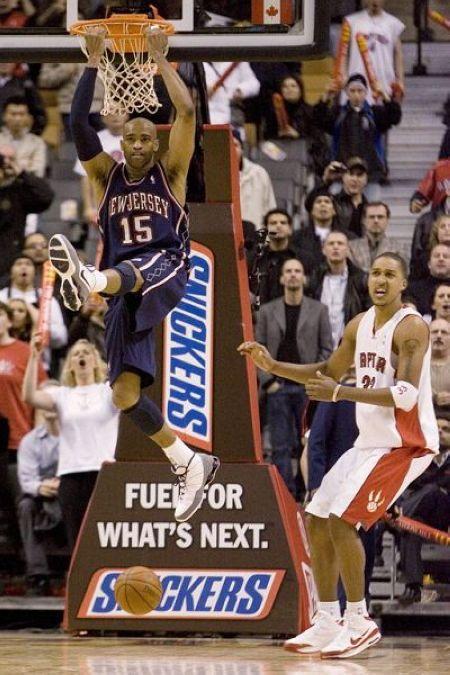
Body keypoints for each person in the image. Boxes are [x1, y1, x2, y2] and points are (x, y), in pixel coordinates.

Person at [47, 27, 219, 524]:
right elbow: (78, 123)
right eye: (131, 139)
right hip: (123, 288)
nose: (139, 144)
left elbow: (186, 112)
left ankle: (87, 280)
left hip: (167, 266)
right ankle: (187, 461)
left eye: (146, 138)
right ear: (121, 143)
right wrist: (91, 64)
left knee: (129, 269)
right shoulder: (107, 175)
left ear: (155, 142)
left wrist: (162, 60)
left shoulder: (172, 172)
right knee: (123, 395)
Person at [239, 252, 439, 658]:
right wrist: (272, 364)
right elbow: (328, 372)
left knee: (342, 520)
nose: (380, 280)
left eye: (390, 274)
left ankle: (359, 620)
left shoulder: (412, 326)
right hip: (369, 443)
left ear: (403, 284)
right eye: (376, 273)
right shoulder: (358, 324)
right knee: (316, 515)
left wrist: (341, 393)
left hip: (406, 444)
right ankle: (327, 618)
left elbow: (405, 395)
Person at [23, 337, 119, 552]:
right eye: (76, 353)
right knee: (77, 540)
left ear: (95, 361)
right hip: (71, 474)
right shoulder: (62, 394)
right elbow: (29, 396)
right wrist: (33, 357)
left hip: (104, 472)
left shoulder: (107, 391)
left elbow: (128, 390)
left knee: (106, 536)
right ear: (70, 365)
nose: (81, 355)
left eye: (86, 352)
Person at [255, 258, 333, 497]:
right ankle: (284, 494)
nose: (292, 275)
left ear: (304, 278)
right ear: (281, 278)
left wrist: (315, 378)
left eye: (297, 271)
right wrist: (268, 381)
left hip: (308, 387)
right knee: (280, 444)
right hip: (277, 387)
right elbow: (258, 348)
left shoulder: (319, 310)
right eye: (288, 271)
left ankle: (305, 491)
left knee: (308, 442)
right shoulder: (267, 311)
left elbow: (327, 349)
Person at [313, 73, 401, 186]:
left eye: (360, 91)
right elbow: (318, 119)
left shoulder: (375, 113)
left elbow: (394, 117)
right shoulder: (338, 113)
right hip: (341, 173)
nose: (356, 95)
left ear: (366, 92)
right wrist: (326, 96)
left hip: (371, 173)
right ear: (346, 92)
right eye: (352, 91)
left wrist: (384, 95)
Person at [397, 418, 450, 605]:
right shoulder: (419, 460)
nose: (441, 432)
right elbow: (404, 487)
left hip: (444, 517)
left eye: (446, 429)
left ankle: (401, 517)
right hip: (422, 517)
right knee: (412, 528)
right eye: (437, 428)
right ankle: (413, 587)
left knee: (433, 490)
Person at [17, 380, 62, 595]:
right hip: (42, 495)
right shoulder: (30, 441)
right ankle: (38, 576)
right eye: (44, 400)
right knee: (25, 506)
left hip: (70, 493)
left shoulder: (77, 434)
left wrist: (63, 485)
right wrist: (41, 486)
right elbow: (27, 480)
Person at [307, 231, 370, 348]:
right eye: (331, 243)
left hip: (350, 346)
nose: (335, 247)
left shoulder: (361, 280)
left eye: (340, 243)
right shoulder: (314, 279)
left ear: (348, 250)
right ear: (323, 249)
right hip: (319, 347)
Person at [338, 0, 405, 104]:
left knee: (384, 110)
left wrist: (400, 80)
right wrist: (343, 74)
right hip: (357, 80)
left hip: (384, 79)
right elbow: (343, 52)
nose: (375, 1)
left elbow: (398, 53)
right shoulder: (351, 21)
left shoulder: (393, 23)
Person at [73, 111, 128, 227]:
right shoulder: (92, 141)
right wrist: (88, 207)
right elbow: (86, 176)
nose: (115, 115)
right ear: (103, 118)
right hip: (101, 204)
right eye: (110, 112)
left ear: (127, 115)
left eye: (120, 112)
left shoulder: (138, 139)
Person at [247, 208, 312, 306]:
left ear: (290, 229)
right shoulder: (254, 259)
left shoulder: (304, 258)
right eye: (273, 223)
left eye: (283, 223)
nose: (278, 226)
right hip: (261, 313)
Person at [308, 158, 369, 238]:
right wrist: (325, 181)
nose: (355, 179)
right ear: (343, 176)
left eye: (359, 175)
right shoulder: (333, 202)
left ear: (366, 179)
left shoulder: (369, 207)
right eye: (351, 174)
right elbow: (310, 204)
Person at [231, 130, 276, 231]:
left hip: (255, 234)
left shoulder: (259, 173)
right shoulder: (212, 176)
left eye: (235, 145)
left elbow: (270, 210)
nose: (231, 149)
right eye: (228, 145)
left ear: (242, 149)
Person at [349, 201, 409, 272]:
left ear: (387, 220)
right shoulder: (351, 247)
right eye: (371, 217)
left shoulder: (399, 248)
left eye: (380, 217)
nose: (376, 220)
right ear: (364, 220)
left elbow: (402, 274)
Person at [0, 96, 47, 177]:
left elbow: (38, 172)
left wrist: (12, 169)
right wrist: (24, 165)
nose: (17, 119)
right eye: (13, 114)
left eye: (21, 114)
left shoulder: (37, 142)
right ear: (4, 116)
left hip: (27, 184)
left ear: (29, 117)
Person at [409, 244, 450, 317]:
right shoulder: (413, 290)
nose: (441, 259)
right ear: (429, 264)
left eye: (445, 256)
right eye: (436, 256)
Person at [429, 319, 450, 422]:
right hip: (423, 418)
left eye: (444, 332)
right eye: (434, 332)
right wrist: (433, 397)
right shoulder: (418, 363)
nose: (439, 335)